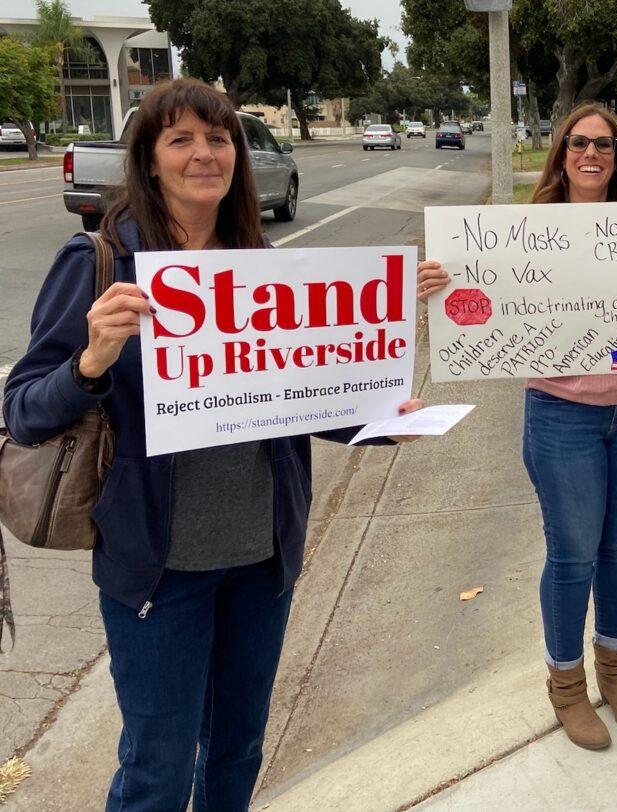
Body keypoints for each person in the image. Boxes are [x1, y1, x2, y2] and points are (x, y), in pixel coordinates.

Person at [2, 78, 421, 811]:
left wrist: (383, 416)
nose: (205, 154)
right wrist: (90, 361)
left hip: (263, 561)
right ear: (150, 158)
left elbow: (291, 404)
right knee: (156, 768)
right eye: (181, 139)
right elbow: (24, 411)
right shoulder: (100, 261)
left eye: (219, 138)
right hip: (160, 572)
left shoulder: (259, 263)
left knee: (238, 750)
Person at [416, 102, 617, 751]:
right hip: (564, 416)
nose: (591, 154)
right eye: (579, 143)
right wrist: (438, 291)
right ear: (561, 155)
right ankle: (566, 685)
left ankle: (615, 671)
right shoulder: (524, 230)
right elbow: (476, 317)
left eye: (605, 145)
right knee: (573, 553)